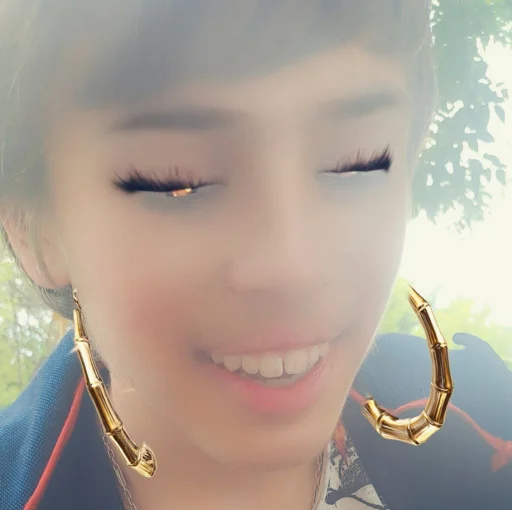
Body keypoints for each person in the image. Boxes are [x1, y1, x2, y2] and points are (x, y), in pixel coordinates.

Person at [0, 1, 510, 509]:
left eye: (353, 163)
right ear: (33, 228)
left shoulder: (488, 428)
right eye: (181, 181)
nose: (293, 267)